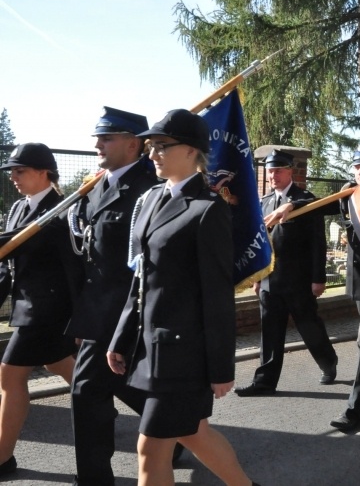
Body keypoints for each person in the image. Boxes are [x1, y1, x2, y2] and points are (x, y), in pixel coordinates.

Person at [106, 109, 258, 486]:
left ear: (191, 151)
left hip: (183, 354)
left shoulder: (208, 211)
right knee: (194, 433)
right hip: (150, 349)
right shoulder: (151, 200)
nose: (152, 153)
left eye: (161, 146)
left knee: (150, 448)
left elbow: (217, 296)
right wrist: (122, 337)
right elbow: (141, 279)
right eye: (150, 146)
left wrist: (221, 368)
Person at [272, 144, 360, 432]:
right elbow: (320, 205)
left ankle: (354, 410)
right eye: (356, 167)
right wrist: (292, 205)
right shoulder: (351, 193)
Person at [67, 108, 172, 485]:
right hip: (98, 311)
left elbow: (145, 261)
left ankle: (94, 478)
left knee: (86, 390)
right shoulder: (96, 186)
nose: (97, 145)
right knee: (121, 383)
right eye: (98, 138)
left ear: (133, 144)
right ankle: (172, 429)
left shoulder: (150, 189)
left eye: (106, 138)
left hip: (128, 311)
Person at [0, 143, 84, 477]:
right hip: (27, 307)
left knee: (9, 375)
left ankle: (3, 458)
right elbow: (8, 265)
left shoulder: (63, 210)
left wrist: (82, 320)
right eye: (11, 172)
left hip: (50, 311)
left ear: (43, 172)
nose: (14, 178)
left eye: (20, 171)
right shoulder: (19, 208)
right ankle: (112, 406)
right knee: (65, 367)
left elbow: (76, 270)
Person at [234, 150, 338, 397]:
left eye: (278, 170)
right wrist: (257, 277)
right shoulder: (265, 202)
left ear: (290, 171)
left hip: (299, 281)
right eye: (270, 170)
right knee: (270, 333)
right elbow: (259, 244)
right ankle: (265, 382)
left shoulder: (305, 199)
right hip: (270, 281)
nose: (273, 175)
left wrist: (318, 278)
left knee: (309, 327)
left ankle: (328, 362)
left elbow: (317, 242)